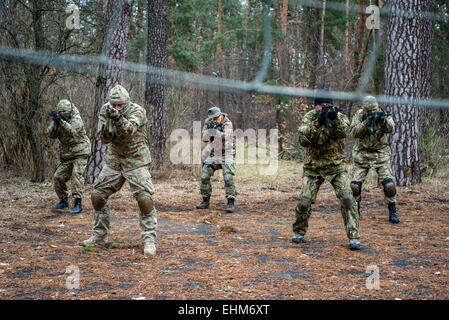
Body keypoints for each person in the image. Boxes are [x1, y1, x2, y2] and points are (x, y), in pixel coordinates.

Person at [82, 85, 157, 255]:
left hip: (136, 159)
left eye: (120, 105)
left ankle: (149, 240)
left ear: (127, 102)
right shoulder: (105, 110)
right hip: (115, 159)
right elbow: (104, 138)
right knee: (98, 196)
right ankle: (99, 235)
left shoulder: (137, 111)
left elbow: (129, 131)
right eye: (114, 105)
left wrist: (117, 118)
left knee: (145, 200)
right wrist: (109, 121)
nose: (116, 108)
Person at [293, 90, 361, 250]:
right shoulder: (309, 117)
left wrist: (333, 119)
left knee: (347, 198)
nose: (324, 108)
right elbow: (304, 139)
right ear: (315, 106)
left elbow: (344, 132)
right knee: (304, 201)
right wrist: (319, 122)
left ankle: (354, 236)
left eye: (326, 105)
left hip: (335, 166)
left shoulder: (339, 116)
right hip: (313, 167)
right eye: (321, 106)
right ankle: (299, 231)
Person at [349, 95, 399, 223]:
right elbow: (353, 132)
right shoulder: (359, 115)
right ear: (365, 110)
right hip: (362, 154)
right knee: (354, 186)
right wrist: (366, 123)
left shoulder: (382, 113)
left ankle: (392, 211)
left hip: (380, 153)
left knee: (389, 185)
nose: (372, 113)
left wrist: (383, 121)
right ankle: (355, 210)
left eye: (374, 110)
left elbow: (391, 128)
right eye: (370, 111)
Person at [48, 99, 90, 215]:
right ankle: (63, 200)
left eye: (65, 112)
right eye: (60, 112)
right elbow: (50, 134)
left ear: (70, 111)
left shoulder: (77, 119)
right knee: (58, 177)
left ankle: (78, 203)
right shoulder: (60, 119)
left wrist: (60, 121)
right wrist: (55, 123)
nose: (62, 114)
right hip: (67, 155)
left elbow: (72, 131)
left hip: (81, 152)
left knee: (77, 176)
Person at [196, 106, 236, 213]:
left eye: (216, 118)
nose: (214, 120)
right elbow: (204, 138)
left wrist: (215, 133)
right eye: (212, 119)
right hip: (213, 153)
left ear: (220, 115)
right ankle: (205, 201)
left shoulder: (227, 123)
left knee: (228, 178)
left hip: (227, 153)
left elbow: (227, 136)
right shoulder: (208, 122)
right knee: (204, 176)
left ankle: (231, 202)